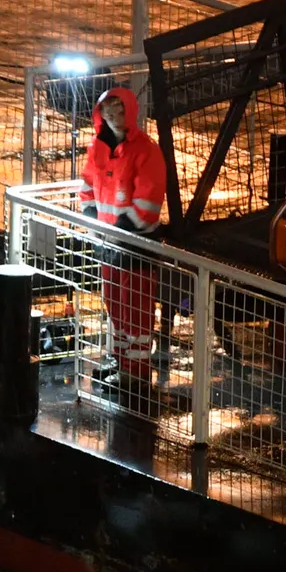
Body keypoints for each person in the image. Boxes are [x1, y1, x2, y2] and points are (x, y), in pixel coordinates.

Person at [79, 86, 166, 393]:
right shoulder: (98, 147)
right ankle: (120, 360)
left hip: (134, 243)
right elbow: (88, 184)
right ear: (100, 114)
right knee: (114, 305)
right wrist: (91, 216)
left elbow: (149, 197)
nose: (114, 117)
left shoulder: (146, 150)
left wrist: (122, 227)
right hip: (109, 241)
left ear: (130, 112)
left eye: (119, 111)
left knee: (136, 309)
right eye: (108, 111)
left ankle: (136, 371)